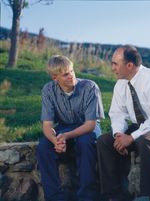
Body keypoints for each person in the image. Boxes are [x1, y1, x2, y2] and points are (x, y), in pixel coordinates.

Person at [97, 45, 150, 201]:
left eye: (115, 64)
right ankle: (114, 195)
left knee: (147, 141)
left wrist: (131, 138)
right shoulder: (121, 84)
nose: (112, 68)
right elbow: (117, 114)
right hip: (142, 126)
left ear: (129, 65)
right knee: (104, 141)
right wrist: (119, 135)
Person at [36, 55, 104, 201]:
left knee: (85, 143)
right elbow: (47, 125)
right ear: (55, 78)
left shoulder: (90, 87)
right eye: (66, 74)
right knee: (43, 147)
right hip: (64, 128)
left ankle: (88, 196)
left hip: (87, 128)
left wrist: (66, 137)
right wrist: (55, 140)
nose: (71, 76)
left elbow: (91, 124)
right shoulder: (48, 90)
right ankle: (54, 197)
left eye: (72, 71)